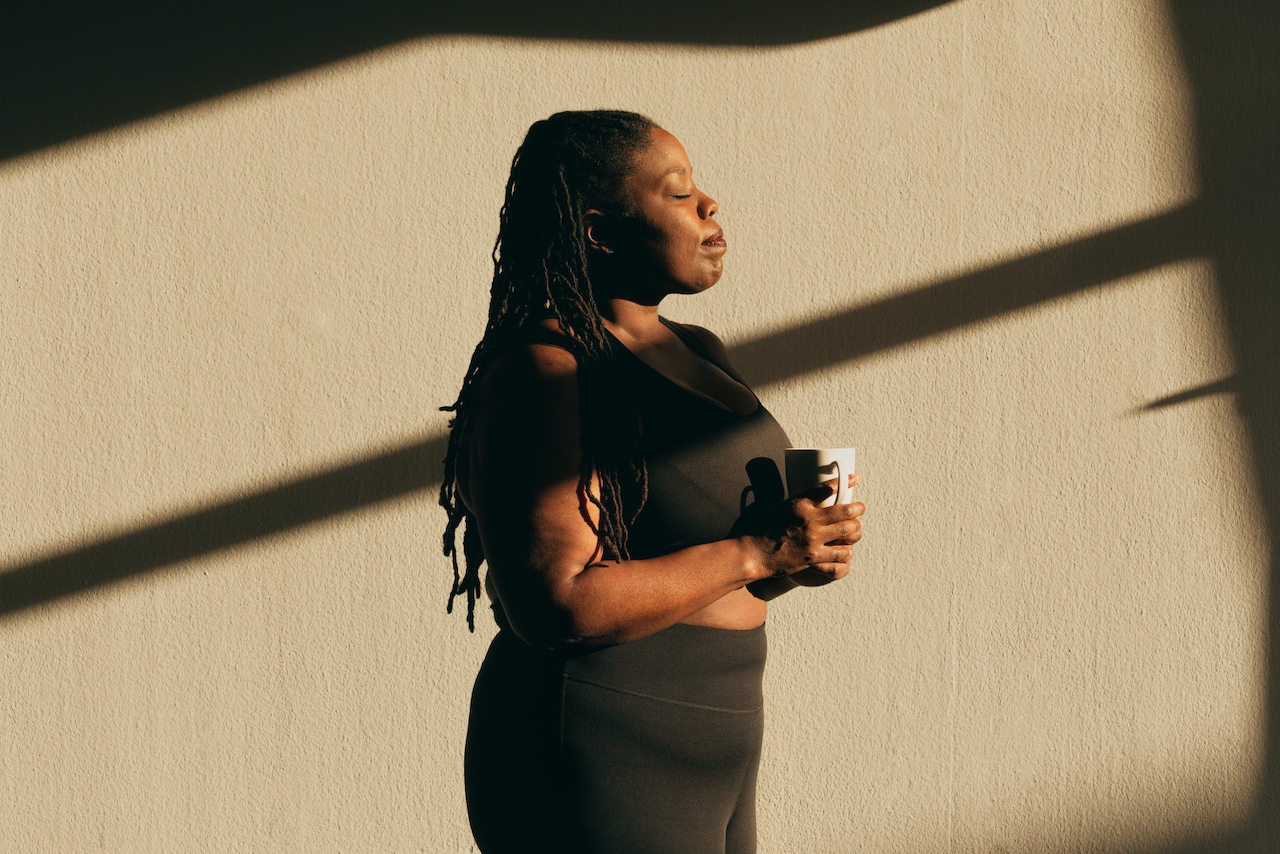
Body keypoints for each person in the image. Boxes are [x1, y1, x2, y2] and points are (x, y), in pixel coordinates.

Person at [438, 110, 866, 854]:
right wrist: (762, 553)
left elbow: (705, 560)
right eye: (677, 194)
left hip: (719, 728)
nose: (710, 206)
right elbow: (558, 602)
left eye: (701, 188)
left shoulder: (700, 350)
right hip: (603, 735)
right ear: (600, 231)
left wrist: (798, 558)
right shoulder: (548, 370)